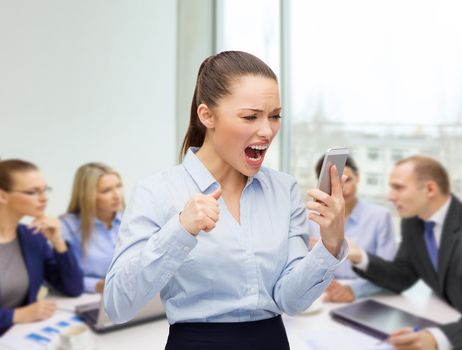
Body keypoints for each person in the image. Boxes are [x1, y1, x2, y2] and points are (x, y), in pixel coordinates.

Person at [104, 51, 348, 350]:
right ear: (206, 115)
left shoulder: (284, 190)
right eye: (250, 116)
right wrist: (180, 230)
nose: (267, 130)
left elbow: (291, 300)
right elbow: (117, 305)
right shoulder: (157, 192)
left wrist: (331, 243)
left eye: (274, 116)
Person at [349, 156, 462, 350]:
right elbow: (404, 276)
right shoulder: (412, 223)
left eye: (398, 187)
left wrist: (438, 339)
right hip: (445, 316)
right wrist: (360, 257)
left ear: (430, 189)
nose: (390, 196)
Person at [0, 160, 83, 335]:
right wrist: (14, 315)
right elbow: (19, 315)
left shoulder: (32, 237)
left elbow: (73, 288)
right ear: (2, 196)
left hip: (16, 337)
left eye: (44, 190)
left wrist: (58, 242)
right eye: (32, 192)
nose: (44, 198)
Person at [308, 155, 396, 302]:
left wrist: (355, 290)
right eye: (333, 182)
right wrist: (325, 285)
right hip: (322, 296)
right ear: (322, 185)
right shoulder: (310, 218)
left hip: (367, 295)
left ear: (358, 177)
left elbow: (389, 272)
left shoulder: (380, 217)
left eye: (347, 180)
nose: (342, 188)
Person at [60, 163, 124, 294]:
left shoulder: (131, 220)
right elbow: (60, 277)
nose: (117, 195)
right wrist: (97, 285)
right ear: (87, 195)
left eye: (118, 186)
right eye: (106, 190)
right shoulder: (66, 227)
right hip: (88, 298)